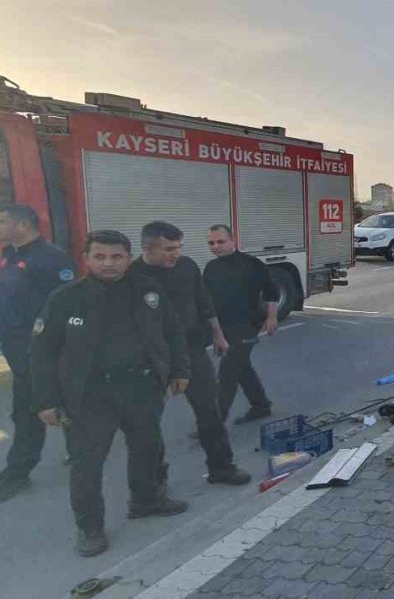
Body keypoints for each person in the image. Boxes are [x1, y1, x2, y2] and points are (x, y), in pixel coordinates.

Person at [31, 230, 191, 557]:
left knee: (147, 447)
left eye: (116, 256)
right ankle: (89, 529)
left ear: (128, 258)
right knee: (86, 465)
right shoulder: (65, 299)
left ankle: (146, 500)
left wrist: (180, 370)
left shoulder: (148, 290)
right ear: (87, 259)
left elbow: (172, 331)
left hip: (141, 388)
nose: (108, 263)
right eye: (100, 256)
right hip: (89, 395)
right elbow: (43, 353)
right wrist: (46, 401)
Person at [132, 222, 250, 487]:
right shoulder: (133, 276)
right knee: (147, 422)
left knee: (209, 410)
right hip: (152, 357)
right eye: (168, 249)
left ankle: (222, 468)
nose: (175, 254)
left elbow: (203, 301)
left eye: (178, 248)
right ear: (147, 248)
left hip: (191, 349)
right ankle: (154, 487)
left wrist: (218, 335)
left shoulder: (186, 266)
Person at [0, 204, 75, 502]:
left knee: (34, 408)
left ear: (21, 224)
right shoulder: (11, 256)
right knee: (31, 408)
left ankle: (17, 473)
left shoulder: (52, 259)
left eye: (2, 221)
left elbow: (67, 305)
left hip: (42, 350)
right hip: (17, 349)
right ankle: (76, 446)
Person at [203, 225, 278, 424]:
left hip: (248, 324)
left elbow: (271, 291)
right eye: (211, 243)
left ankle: (214, 422)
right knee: (242, 367)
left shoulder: (251, 264)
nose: (215, 246)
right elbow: (207, 300)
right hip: (224, 326)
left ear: (232, 240)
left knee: (228, 372)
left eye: (220, 241)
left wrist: (272, 317)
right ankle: (261, 405)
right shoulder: (211, 268)